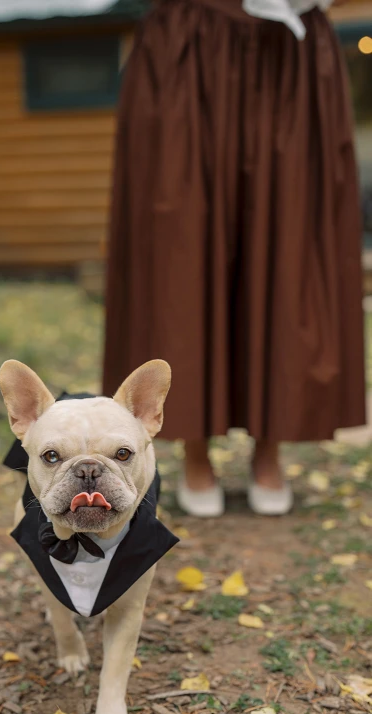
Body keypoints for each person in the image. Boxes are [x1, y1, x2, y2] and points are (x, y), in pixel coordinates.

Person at [102, 0, 366, 517]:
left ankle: (270, 444)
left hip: (288, 52)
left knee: (289, 236)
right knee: (180, 245)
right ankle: (194, 445)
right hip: (191, 38)